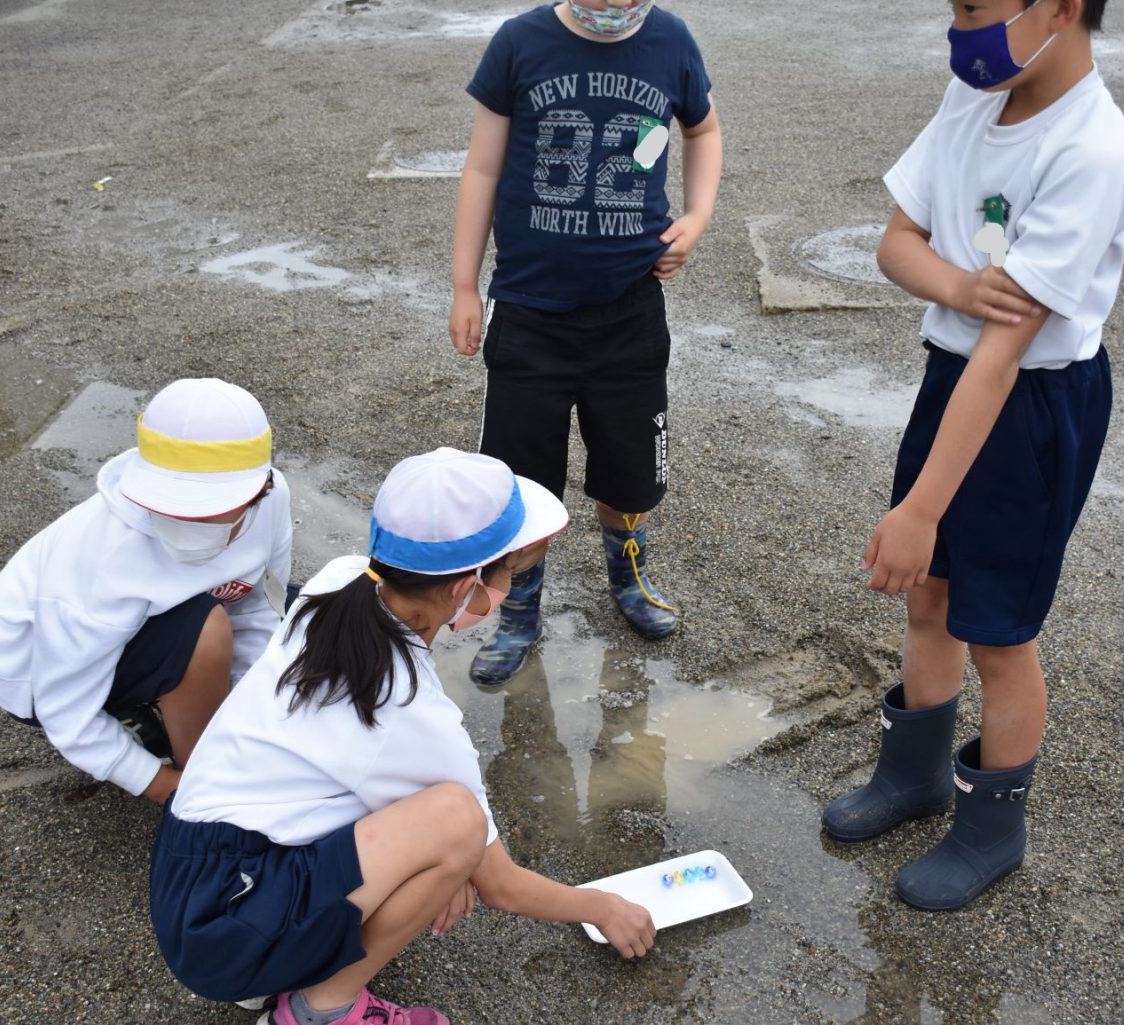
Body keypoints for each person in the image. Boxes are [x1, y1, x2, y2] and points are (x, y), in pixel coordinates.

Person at [821, 0, 1124, 911]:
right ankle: (914, 774)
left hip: (1033, 404)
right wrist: (960, 285)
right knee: (929, 592)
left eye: (974, 8)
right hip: (953, 377)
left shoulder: (1093, 152)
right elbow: (896, 241)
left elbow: (1007, 355)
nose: (956, 30)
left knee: (999, 631)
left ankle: (992, 825)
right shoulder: (977, 94)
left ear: (1061, 9)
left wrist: (920, 508)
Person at [150, 448, 656, 1025]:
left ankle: (286, 960)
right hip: (225, 928)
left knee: (452, 843)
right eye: (508, 576)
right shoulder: (409, 708)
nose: (508, 588)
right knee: (457, 822)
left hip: (194, 878)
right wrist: (602, 907)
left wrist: (453, 865)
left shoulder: (342, 582)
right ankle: (322, 1009)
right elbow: (503, 886)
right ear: (466, 591)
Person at [447, 0, 724, 685]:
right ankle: (517, 611)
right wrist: (463, 284)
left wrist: (698, 215)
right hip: (530, 313)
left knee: (630, 471)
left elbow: (704, 129)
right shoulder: (519, 43)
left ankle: (629, 578)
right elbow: (482, 169)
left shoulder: (671, 40)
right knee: (522, 478)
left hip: (628, 314)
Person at [0, 378, 292, 805]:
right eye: (173, 504)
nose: (189, 521)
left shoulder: (273, 502)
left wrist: (246, 704)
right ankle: (205, 773)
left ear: (262, 488)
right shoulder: (100, 558)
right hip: (36, 669)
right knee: (202, 628)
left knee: (306, 609)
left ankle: (193, 723)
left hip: (134, 629)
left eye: (210, 508)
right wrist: (166, 787)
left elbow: (259, 607)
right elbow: (66, 712)